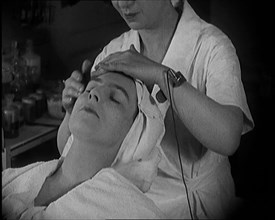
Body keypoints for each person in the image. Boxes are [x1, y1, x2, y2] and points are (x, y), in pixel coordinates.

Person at [60, 0, 254, 219]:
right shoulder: (114, 52)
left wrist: (159, 74)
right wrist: (72, 112)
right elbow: (72, 150)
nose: (124, 3)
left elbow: (228, 138)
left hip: (206, 206)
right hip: (135, 206)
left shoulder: (212, 46)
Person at [2, 72, 166, 219]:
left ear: (135, 134)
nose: (94, 94)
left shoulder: (136, 213)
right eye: (90, 88)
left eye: (115, 99)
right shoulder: (11, 180)